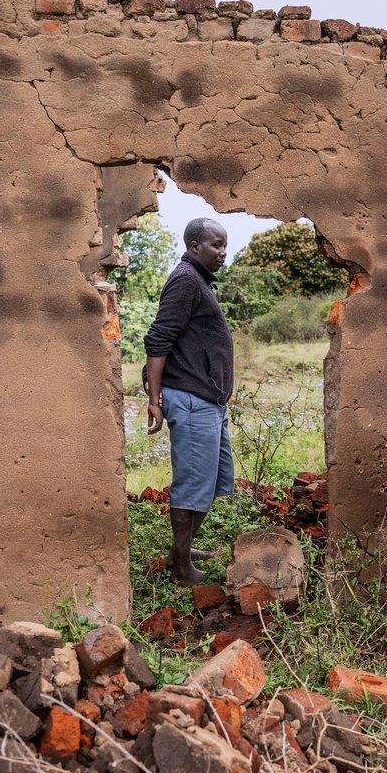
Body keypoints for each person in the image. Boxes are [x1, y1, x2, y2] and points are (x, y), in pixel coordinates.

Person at [143, 217, 235, 586]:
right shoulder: (186, 280)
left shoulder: (199, 281)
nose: (223, 252)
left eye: (225, 245)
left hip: (209, 401)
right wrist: (154, 398)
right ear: (195, 246)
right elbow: (158, 338)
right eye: (216, 245)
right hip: (192, 400)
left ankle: (180, 549)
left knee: (213, 482)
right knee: (193, 484)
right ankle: (182, 568)